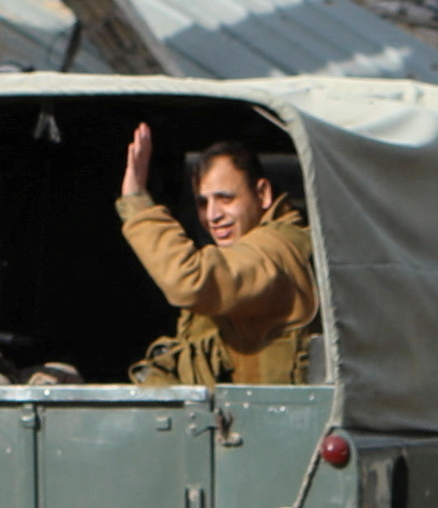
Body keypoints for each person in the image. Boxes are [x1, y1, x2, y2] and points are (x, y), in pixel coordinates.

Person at [113, 125, 317, 385]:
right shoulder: (237, 255)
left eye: (225, 199)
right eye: (203, 203)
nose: (213, 216)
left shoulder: (276, 252)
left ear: (263, 194)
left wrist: (136, 205)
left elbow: (190, 281)